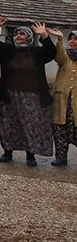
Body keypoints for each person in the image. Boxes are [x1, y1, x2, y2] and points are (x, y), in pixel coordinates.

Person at [0, 18, 56, 166]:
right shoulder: (8, 50)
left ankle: (30, 154)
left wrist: (44, 36)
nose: (18, 36)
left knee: (30, 125)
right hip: (9, 95)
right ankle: (8, 152)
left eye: (22, 34)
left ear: (29, 37)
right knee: (8, 125)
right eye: (16, 34)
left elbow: (51, 52)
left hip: (32, 96)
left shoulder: (37, 52)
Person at [46, 28, 77, 166]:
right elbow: (59, 57)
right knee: (59, 128)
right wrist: (59, 40)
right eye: (70, 38)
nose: (72, 41)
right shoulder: (66, 56)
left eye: (75, 38)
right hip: (62, 98)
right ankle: (61, 157)